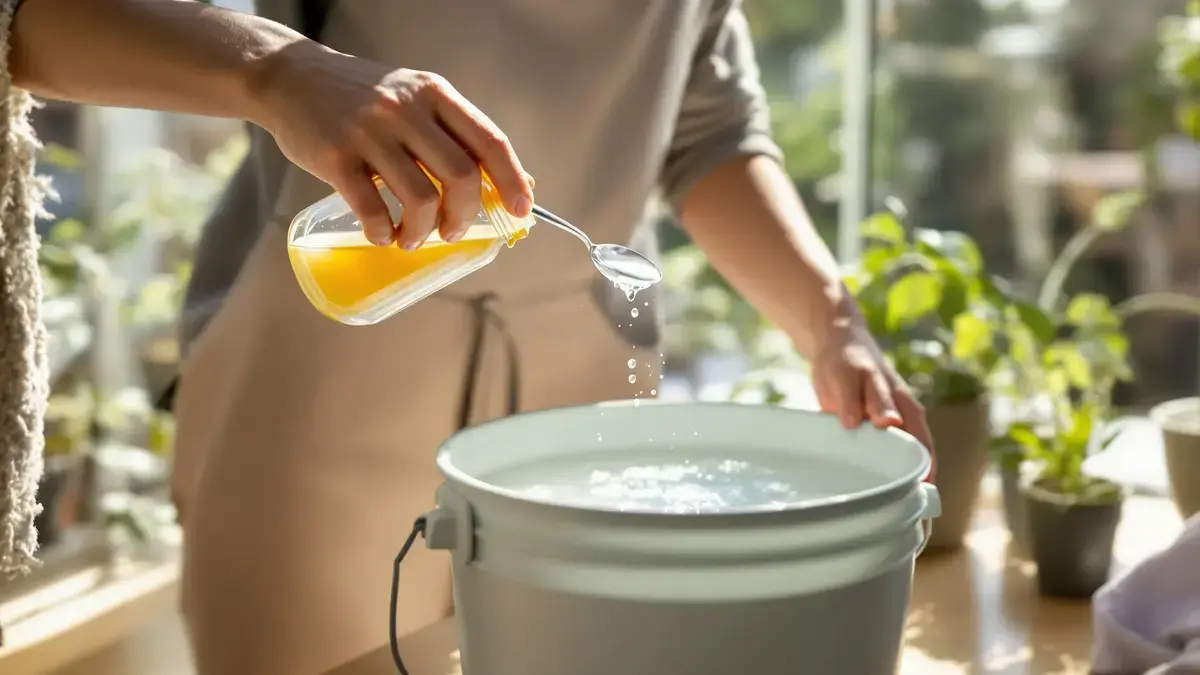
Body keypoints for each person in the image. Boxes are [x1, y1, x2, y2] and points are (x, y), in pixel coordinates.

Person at [2, 0, 934, 672]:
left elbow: (710, 131)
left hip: (587, 395)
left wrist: (830, 319)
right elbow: (33, 21)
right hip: (322, 377)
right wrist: (276, 68)